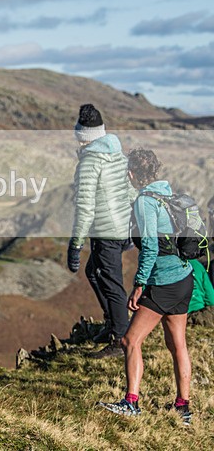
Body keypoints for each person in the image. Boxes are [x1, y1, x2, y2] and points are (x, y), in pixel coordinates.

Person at [99, 149, 194, 425]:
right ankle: (183, 408)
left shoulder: (145, 202)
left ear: (131, 174)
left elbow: (150, 245)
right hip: (184, 278)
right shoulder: (168, 193)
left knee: (130, 340)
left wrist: (139, 284)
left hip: (162, 283)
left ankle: (131, 402)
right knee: (177, 343)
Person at [67, 104, 135, 357]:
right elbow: (129, 190)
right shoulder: (118, 154)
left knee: (111, 281)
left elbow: (85, 208)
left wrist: (75, 245)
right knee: (94, 272)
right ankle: (113, 324)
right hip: (119, 228)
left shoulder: (89, 164)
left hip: (106, 231)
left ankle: (119, 338)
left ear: (82, 136)